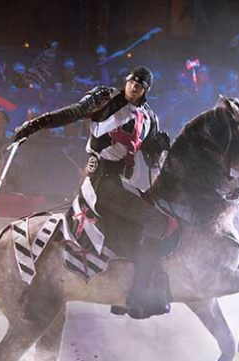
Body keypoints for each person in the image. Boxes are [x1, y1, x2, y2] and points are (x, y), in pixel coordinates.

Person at [12, 66, 172, 318]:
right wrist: (33, 126)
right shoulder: (105, 98)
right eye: (132, 82)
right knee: (156, 221)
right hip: (100, 181)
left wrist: (160, 148)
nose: (133, 87)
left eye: (139, 86)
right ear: (126, 81)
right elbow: (71, 113)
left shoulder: (150, 118)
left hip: (121, 182)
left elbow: (152, 161)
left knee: (143, 225)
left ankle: (124, 294)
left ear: (145, 91)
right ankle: (139, 294)